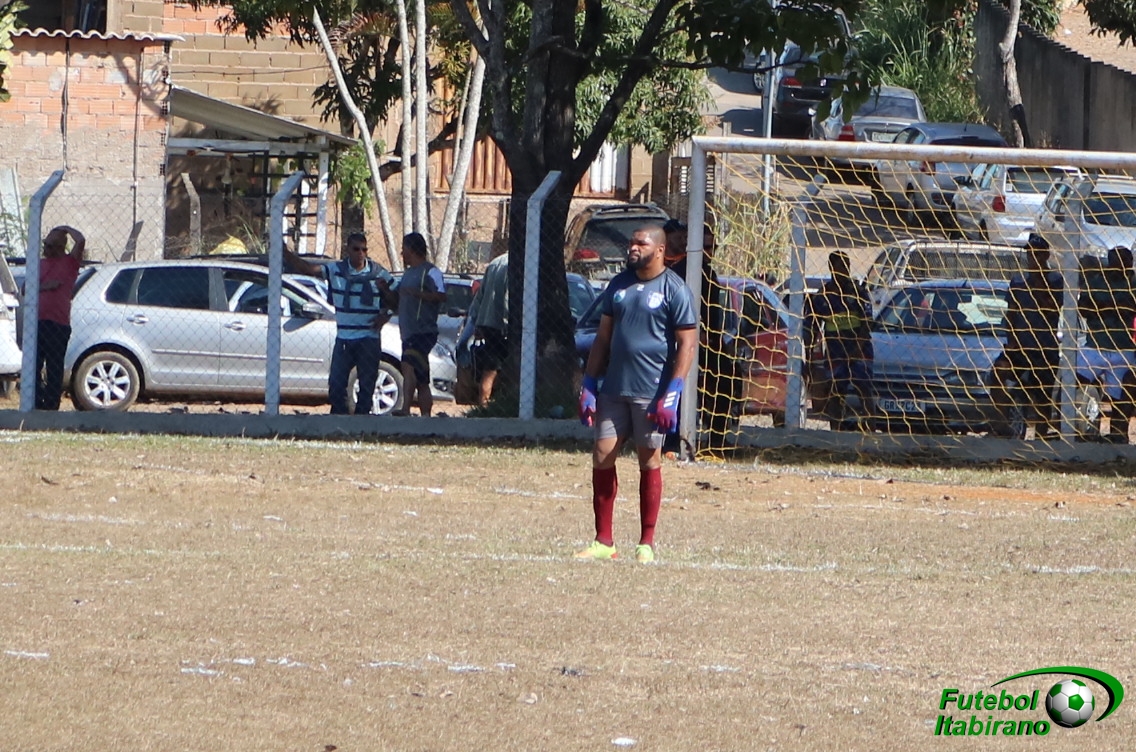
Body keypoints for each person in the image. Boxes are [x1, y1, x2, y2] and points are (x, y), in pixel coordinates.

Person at [576, 224, 698, 563]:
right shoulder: (618, 285)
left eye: (640, 243)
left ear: (659, 250)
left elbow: (688, 344)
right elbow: (603, 339)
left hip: (652, 392)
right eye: (631, 242)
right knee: (602, 455)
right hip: (614, 389)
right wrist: (589, 384)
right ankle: (604, 541)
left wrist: (673, 391)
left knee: (649, 460)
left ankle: (646, 542)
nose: (632, 247)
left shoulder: (675, 290)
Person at [284, 232, 394, 415]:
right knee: (336, 383)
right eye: (356, 249)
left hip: (369, 337)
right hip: (344, 337)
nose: (361, 253)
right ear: (347, 250)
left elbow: (397, 298)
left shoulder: (378, 273)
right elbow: (309, 269)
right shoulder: (335, 270)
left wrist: (387, 313)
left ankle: (362, 421)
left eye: (364, 249)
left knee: (367, 385)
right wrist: (286, 254)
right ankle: (339, 418)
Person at [662, 219, 732, 451]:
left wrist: (715, 339)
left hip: (710, 342)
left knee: (726, 378)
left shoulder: (709, 273)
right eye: (706, 247)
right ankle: (673, 440)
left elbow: (713, 314)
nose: (710, 252)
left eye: (714, 247)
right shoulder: (677, 273)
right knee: (681, 386)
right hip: (684, 342)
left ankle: (717, 437)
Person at [999, 233, 1063, 435]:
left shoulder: (1056, 280)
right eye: (1029, 254)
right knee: (999, 372)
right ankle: (1001, 423)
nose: (1032, 258)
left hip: (1044, 349)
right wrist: (1011, 341)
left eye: (1037, 254)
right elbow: (1011, 314)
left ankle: (1041, 436)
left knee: (1042, 396)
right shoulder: (1018, 281)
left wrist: (1037, 279)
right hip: (1020, 347)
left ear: (1046, 256)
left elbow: (1051, 308)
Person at [805, 250, 874, 426]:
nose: (844, 270)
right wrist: (809, 355)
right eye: (840, 266)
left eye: (846, 266)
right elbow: (812, 327)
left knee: (864, 390)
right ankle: (836, 431)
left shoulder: (858, 292)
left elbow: (867, 325)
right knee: (835, 393)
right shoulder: (822, 296)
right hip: (835, 353)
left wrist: (857, 349)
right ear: (831, 268)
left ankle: (870, 429)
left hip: (860, 351)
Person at [1077, 246, 1136, 440]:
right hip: (1095, 345)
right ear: (1110, 262)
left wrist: (1104, 306)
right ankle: (1072, 430)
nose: (1122, 266)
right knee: (1071, 380)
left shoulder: (1133, 283)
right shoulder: (1097, 281)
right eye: (1117, 261)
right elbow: (1084, 308)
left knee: (1123, 395)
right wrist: (1114, 306)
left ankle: (1117, 436)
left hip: (1123, 348)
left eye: (1126, 262)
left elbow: (1130, 308)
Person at [391, 232, 446, 416]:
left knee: (408, 365)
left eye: (404, 249)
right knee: (421, 377)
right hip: (408, 332)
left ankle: (406, 408)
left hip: (423, 331)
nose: (402, 253)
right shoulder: (408, 273)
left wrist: (418, 294)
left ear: (413, 249)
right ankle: (425, 416)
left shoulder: (431, 271)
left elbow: (441, 295)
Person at [35, 225, 85, 410]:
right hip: (38, 322)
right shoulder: (40, 265)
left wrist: (65, 228)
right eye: (45, 245)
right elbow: (25, 290)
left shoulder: (69, 263)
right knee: (34, 365)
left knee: (54, 366)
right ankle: (35, 401)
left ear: (60, 247)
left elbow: (80, 240)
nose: (46, 249)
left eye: (50, 246)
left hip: (58, 323)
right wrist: (45, 287)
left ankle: (51, 405)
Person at [467, 250, 509, 406]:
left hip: (487, 323)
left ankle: (483, 404)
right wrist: (508, 323)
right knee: (493, 369)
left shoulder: (495, 263)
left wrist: (476, 321)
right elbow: (508, 298)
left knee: (490, 369)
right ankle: (485, 404)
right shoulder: (516, 265)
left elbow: (480, 295)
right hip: (502, 325)